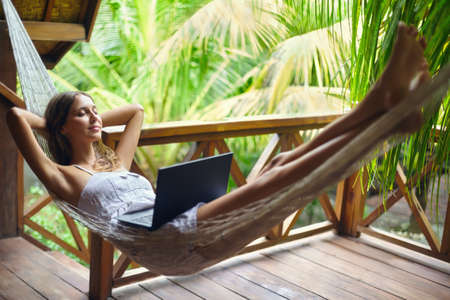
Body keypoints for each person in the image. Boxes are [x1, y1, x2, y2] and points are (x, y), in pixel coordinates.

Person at [6, 23, 429, 231]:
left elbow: (134, 111)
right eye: (84, 113)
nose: (97, 117)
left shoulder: (116, 159)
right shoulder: (62, 177)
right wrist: (51, 121)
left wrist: (86, 117)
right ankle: (380, 107)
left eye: (97, 110)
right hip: (162, 236)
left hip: (176, 216)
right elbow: (14, 116)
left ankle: (383, 107)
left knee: (282, 160)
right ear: (61, 128)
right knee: (281, 172)